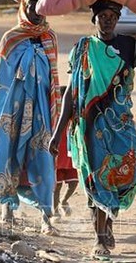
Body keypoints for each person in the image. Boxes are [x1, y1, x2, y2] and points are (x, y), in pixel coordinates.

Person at [49, 0, 136, 258]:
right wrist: (58, 131)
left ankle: (107, 225)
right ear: (93, 19)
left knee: (121, 178)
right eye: (102, 16)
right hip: (89, 128)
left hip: (121, 127)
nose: (107, 20)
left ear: (118, 19)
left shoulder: (130, 46)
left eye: (112, 16)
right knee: (96, 180)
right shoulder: (82, 48)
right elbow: (72, 94)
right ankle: (99, 238)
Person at [0, 0, 62, 236]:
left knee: (43, 160)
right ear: (23, 7)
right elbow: (2, 83)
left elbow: (53, 79)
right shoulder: (11, 39)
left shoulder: (50, 39)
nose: (36, 11)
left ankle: (47, 217)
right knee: (7, 153)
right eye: (31, 6)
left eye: (41, 6)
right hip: (13, 109)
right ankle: (6, 206)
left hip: (41, 110)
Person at [52, 85, 79, 219]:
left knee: (73, 183)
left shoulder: (73, 117)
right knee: (56, 186)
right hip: (58, 157)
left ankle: (64, 201)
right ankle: (55, 210)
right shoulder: (54, 117)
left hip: (70, 157)